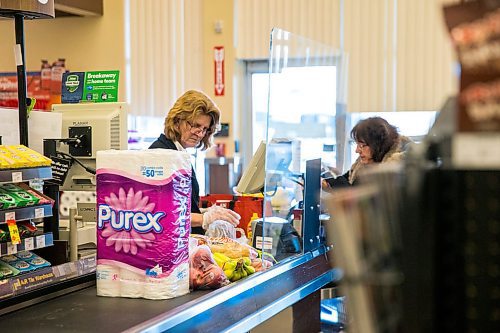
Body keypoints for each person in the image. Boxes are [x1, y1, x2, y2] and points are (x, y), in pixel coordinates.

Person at [149, 90, 240, 234]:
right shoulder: (161, 155)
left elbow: (181, 207)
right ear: (177, 120)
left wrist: (207, 212)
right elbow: (161, 214)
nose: (200, 133)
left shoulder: (179, 153)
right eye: (195, 125)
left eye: (204, 129)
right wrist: (204, 218)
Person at [324, 116, 413, 189]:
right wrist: (326, 182)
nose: (357, 150)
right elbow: (347, 179)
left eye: (362, 145)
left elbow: (360, 199)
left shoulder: (394, 171)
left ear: (378, 145)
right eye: (357, 144)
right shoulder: (366, 161)